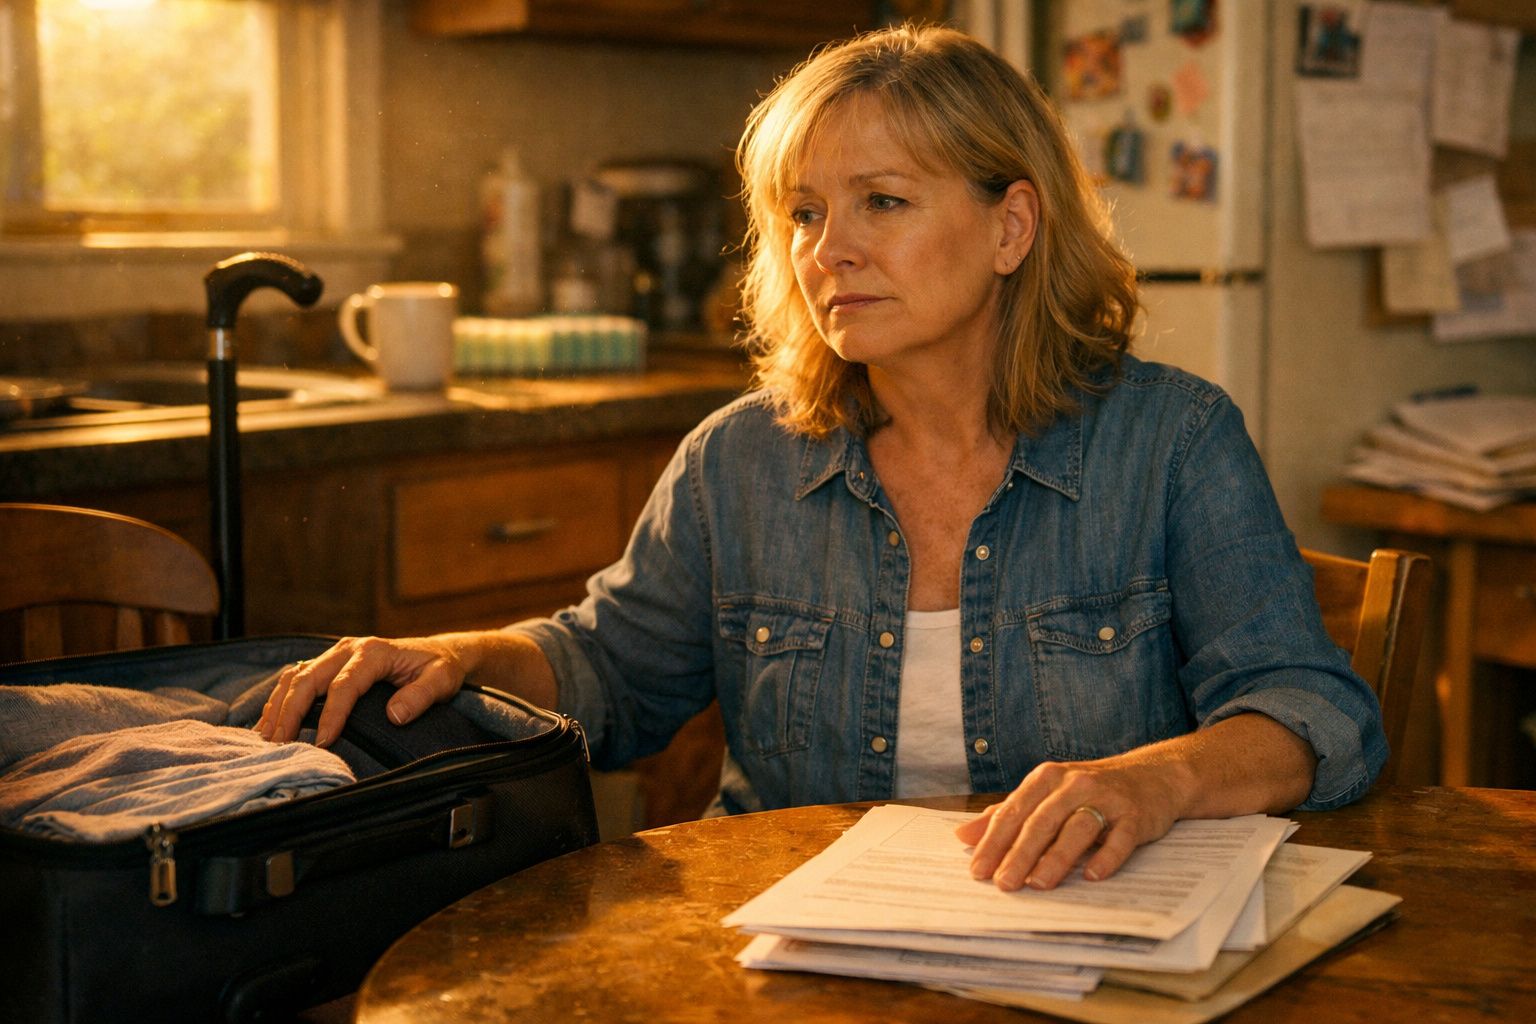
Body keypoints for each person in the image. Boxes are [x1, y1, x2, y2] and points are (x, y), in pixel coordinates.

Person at [257, 23, 1385, 893]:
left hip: (1080, 945)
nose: (826, 250)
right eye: (800, 213)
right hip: (792, 947)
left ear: (1011, 229)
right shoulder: (737, 462)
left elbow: (1312, 711)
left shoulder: (1173, 440)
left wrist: (1158, 776)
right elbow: (611, 672)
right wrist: (458, 655)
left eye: (881, 202)